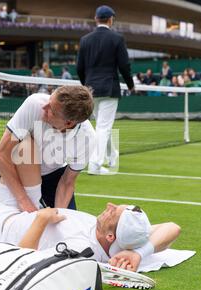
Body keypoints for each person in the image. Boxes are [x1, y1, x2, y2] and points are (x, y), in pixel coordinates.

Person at [0, 151, 181, 271]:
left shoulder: (83, 249)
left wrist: (40, 220)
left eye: (113, 213)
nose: (109, 206)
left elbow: (21, 259)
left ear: (110, 233)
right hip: (13, 207)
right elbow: (172, 227)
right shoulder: (127, 239)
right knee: (24, 149)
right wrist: (140, 254)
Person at [0, 85, 95, 212]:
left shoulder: (87, 138)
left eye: (51, 109)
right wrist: (26, 203)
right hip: (17, 169)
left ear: (68, 123)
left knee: (63, 229)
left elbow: (67, 182)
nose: (44, 106)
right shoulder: (35, 103)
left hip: (53, 177)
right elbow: (1, 156)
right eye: (49, 100)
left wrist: (57, 214)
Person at [77, 5, 134, 175]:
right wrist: (130, 84)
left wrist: (86, 87)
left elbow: (79, 67)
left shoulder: (85, 40)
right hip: (109, 89)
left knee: (102, 126)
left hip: (91, 90)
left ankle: (112, 156)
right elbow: (124, 65)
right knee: (103, 126)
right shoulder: (117, 38)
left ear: (96, 19)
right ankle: (95, 164)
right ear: (110, 20)